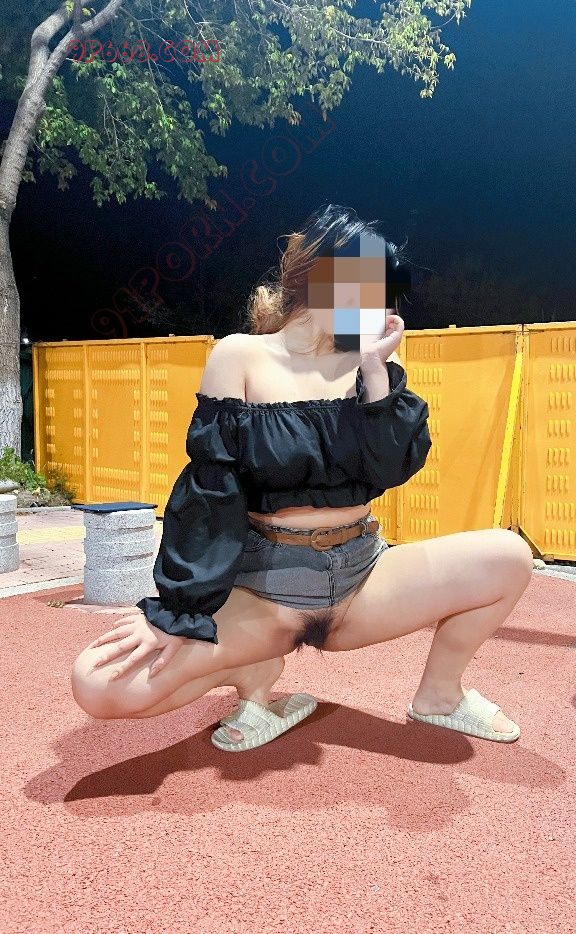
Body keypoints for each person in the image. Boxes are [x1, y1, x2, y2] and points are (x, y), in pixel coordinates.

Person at [71, 204, 533, 750]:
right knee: (98, 684)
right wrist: (176, 611)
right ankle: (254, 673)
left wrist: (374, 372)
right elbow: (209, 492)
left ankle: (440, 695)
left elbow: (393, 468)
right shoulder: (240, 355)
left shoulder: (369, 364)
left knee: (508, 557)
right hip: (266, 593)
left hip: (364, 580)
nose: (379, 306)